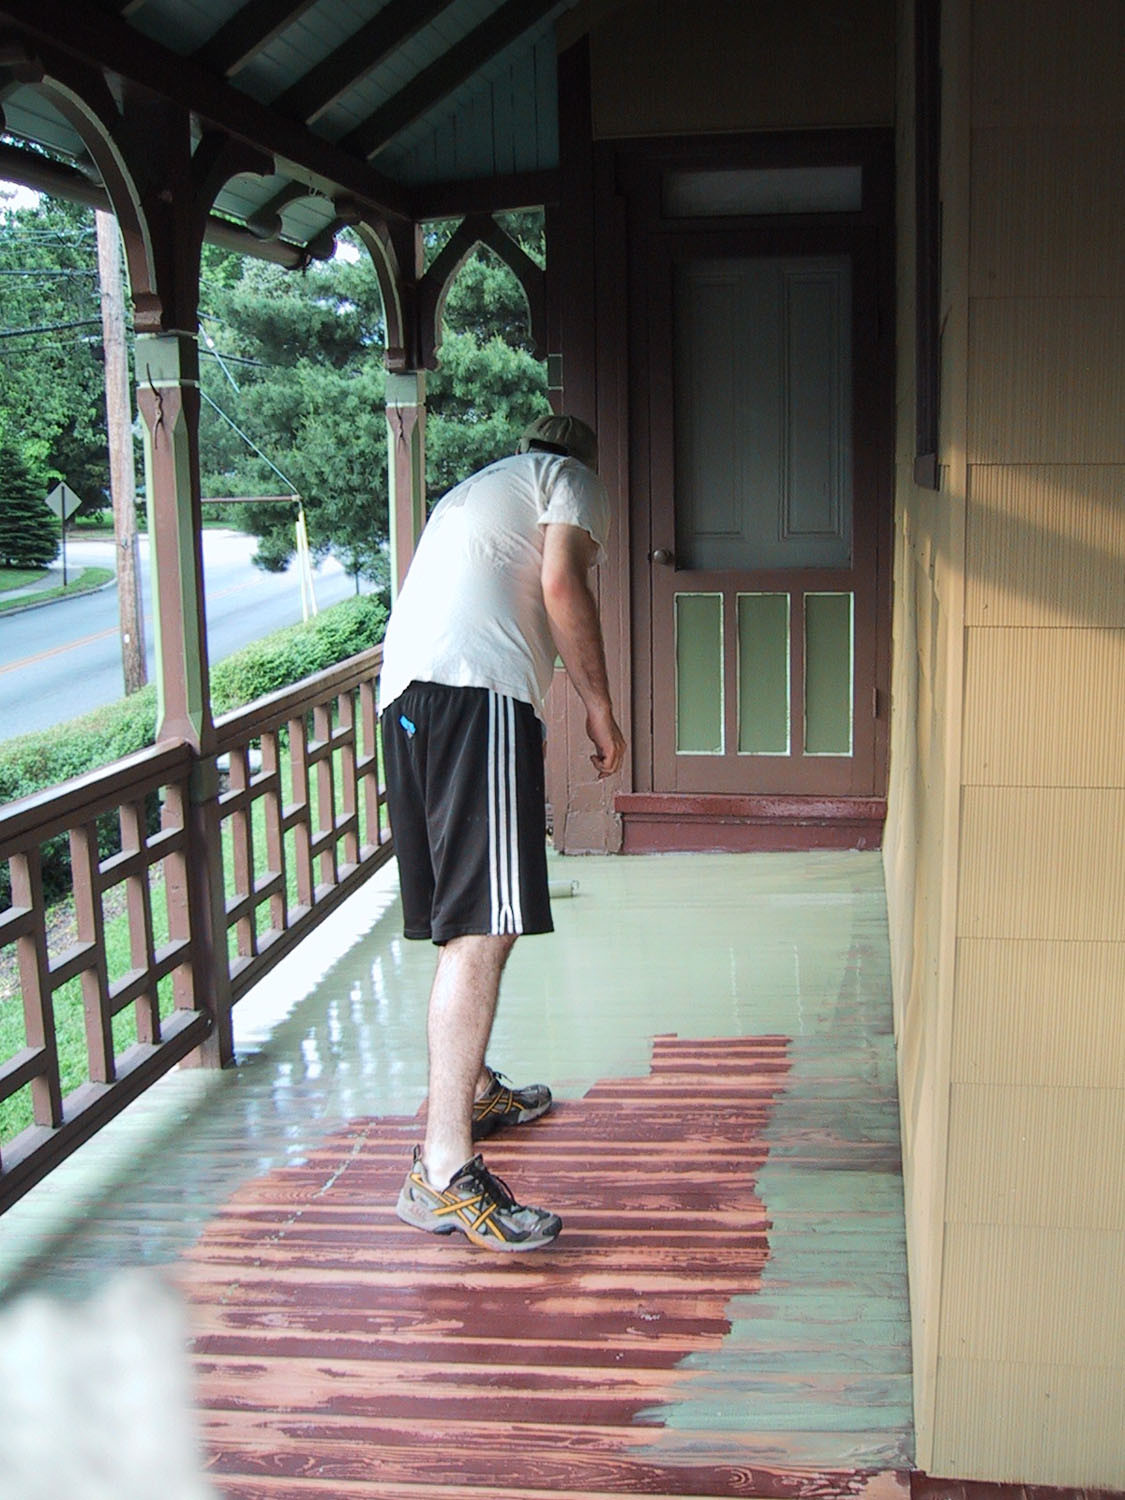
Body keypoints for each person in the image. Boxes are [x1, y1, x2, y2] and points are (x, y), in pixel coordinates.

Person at [379, 413, 625, 1253]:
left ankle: (475, 1088)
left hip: (409, 700)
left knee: (466, 919)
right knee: (483, 929)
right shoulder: (569, 478)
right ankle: (442, 1173)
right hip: (470, 694)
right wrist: (598, 706)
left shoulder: (477, 490)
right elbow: (563, 585)